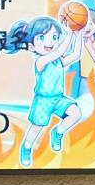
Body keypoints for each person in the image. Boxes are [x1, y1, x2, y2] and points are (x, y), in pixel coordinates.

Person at [5, 15, 85, 167]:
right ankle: (26, 148)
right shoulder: (41, 61)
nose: (50, 42)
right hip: (43, 100)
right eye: (42, 37)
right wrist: (69, 34)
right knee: (36, 128)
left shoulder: (58, 61)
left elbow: (76, 55)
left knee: (76, 114)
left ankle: (58, 132)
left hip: (59, 98)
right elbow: (59, 52)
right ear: (31, 46)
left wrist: (78, 35)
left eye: (54, 37)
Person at [73, 9, 95, 96]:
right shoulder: (79, 43)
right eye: (84, 24)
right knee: (84, 101)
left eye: (90, 24)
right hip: (85, 79)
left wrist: (89, 47)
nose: (87, 27)